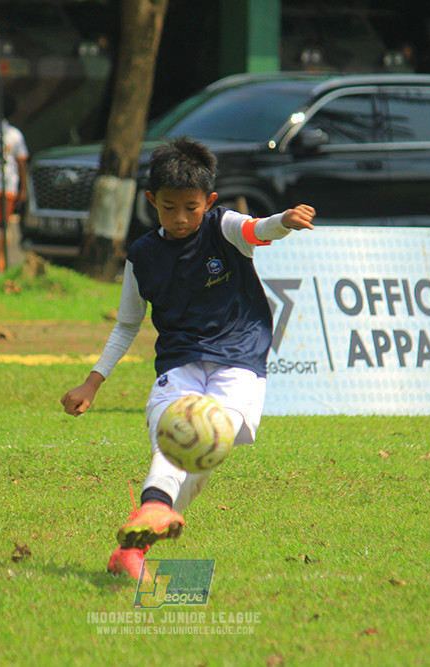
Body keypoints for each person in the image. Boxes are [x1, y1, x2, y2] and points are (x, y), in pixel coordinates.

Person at [60, 137, 316, 581]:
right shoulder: (142, 256)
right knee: (183, 436)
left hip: (239, 361)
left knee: (203, 448)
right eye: (168, 207)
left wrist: (285, 221)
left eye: (191, 208)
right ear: (151, 201)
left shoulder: (224, 227)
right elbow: (126, 324)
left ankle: (136, 541)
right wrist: (92, 381)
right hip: (178, 365)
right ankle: (147, 526)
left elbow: (258, 228)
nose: (180, 218)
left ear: (209, 202)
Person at [0, 93, 28, 272]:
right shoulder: (15, 134)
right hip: (7, 183)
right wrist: (23, 188)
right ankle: (1, 263)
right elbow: (21, 161)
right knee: (4, 225)